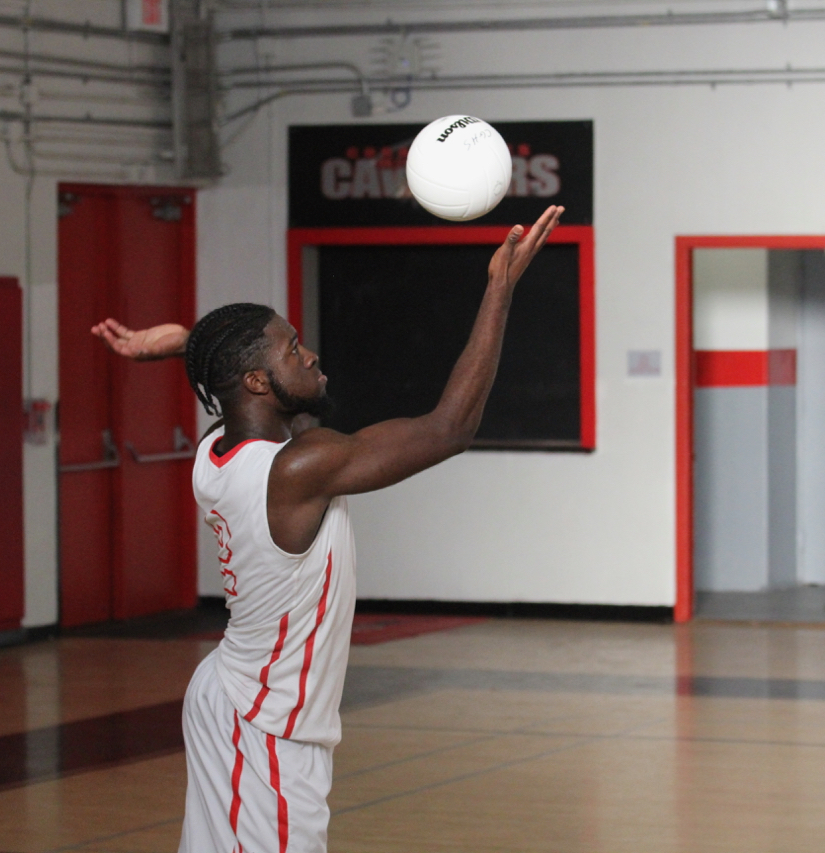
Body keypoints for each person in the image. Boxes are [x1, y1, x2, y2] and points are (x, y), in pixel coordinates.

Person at [92, 204, 564, 852]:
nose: (309, 352)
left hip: (237, 697)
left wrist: (185, 346)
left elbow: (236, 379)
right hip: (262, 717)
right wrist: (498, 292)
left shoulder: (215, 452)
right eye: (292, 348)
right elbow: (448, 428)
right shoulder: (296, 470)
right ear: (257, 380)